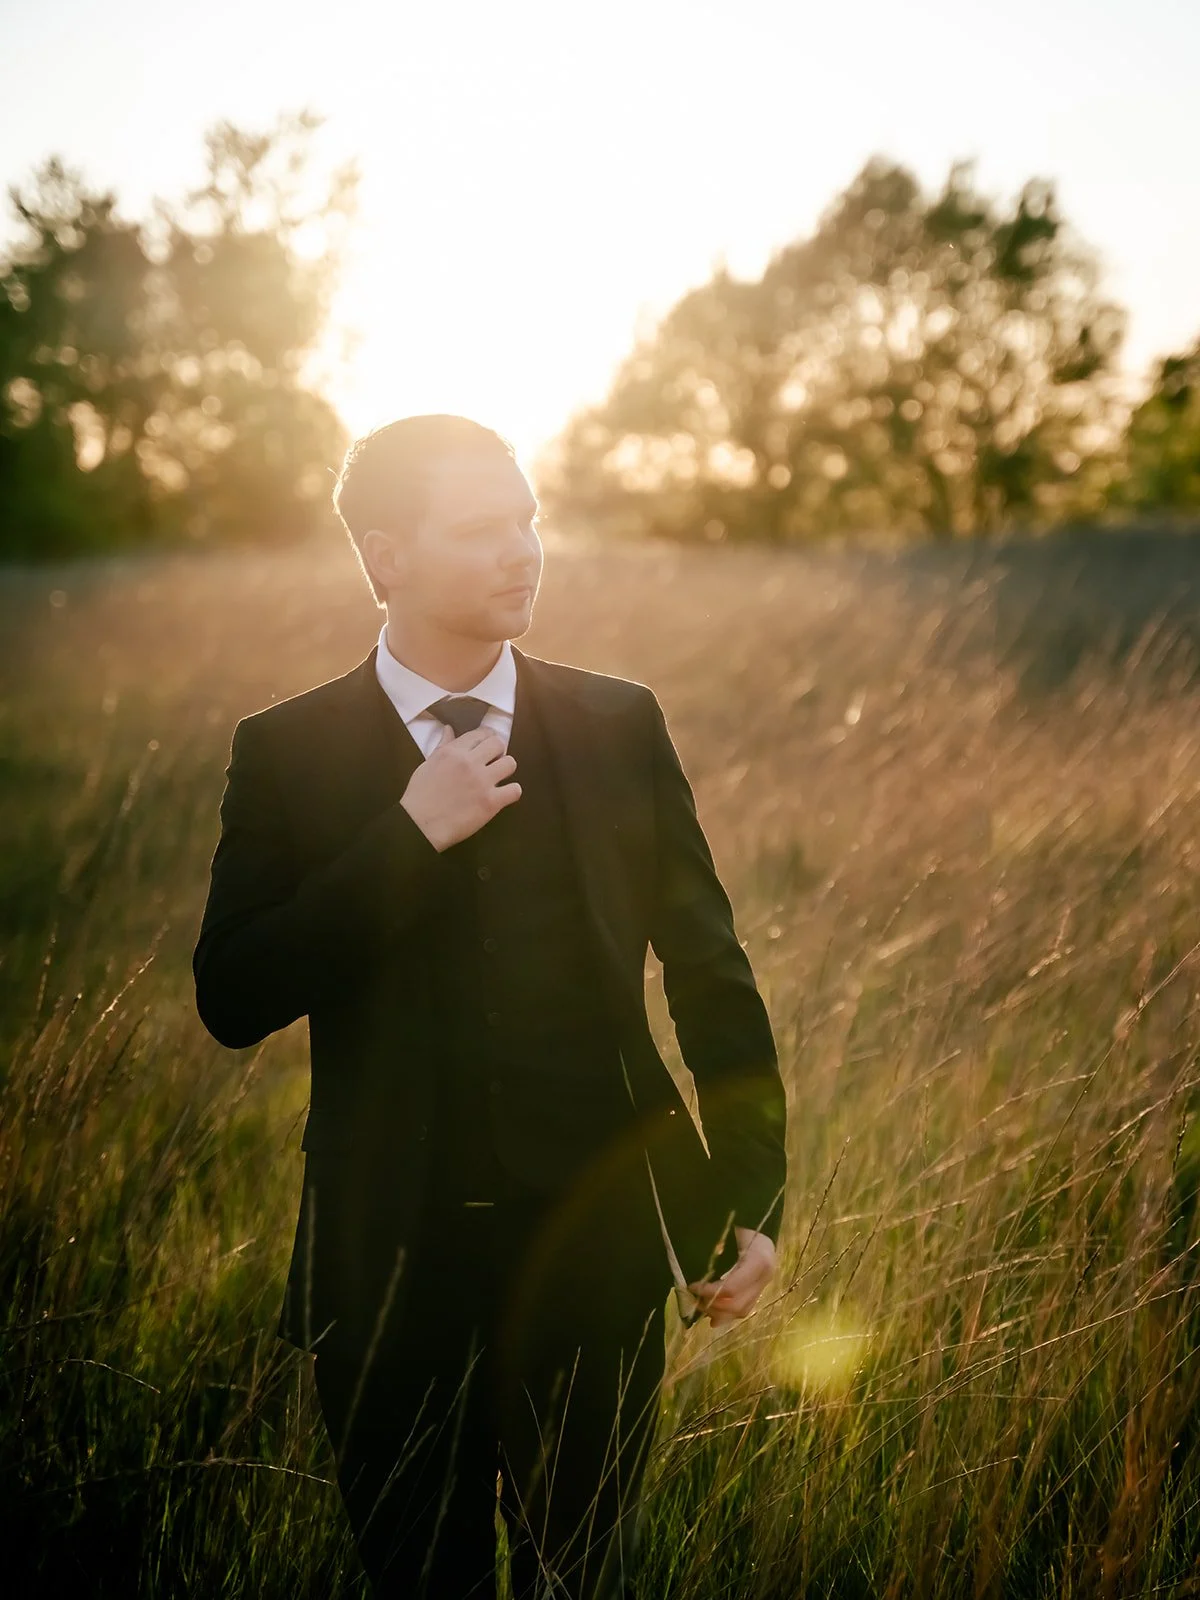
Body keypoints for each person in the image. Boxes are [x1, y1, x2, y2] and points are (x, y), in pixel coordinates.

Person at [193, 414, 789, 1600]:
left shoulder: (619, 723)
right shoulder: (288, 751)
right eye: (480, 530)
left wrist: (752, 1197)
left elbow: (712, 972)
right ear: (385, 557)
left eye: (529, 520)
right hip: (387, 1268)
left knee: (581, 1575)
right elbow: (233, 994)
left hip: (597, 1251)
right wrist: (409, 834)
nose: (523, 551)